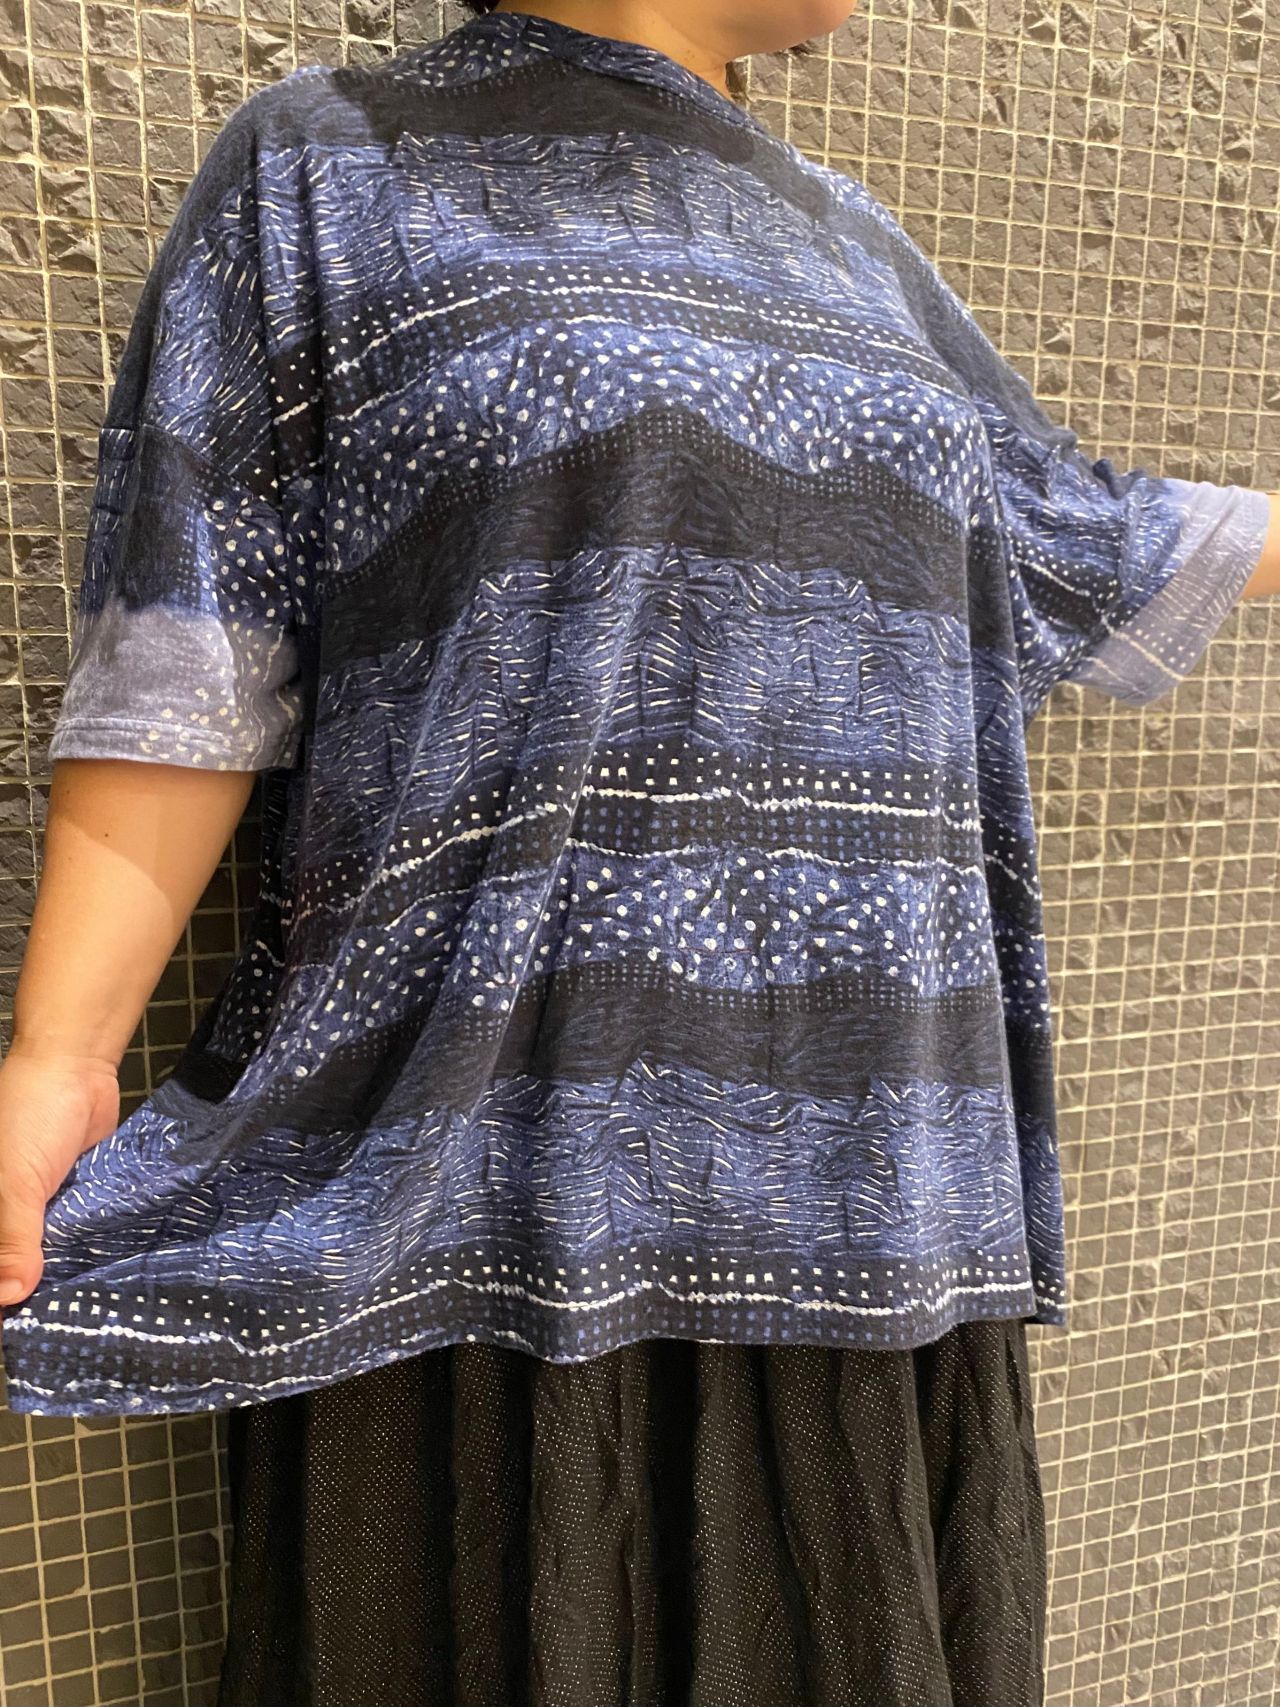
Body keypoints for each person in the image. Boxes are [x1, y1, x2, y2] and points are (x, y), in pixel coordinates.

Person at [1, 1, 1276, 1701]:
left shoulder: (855, 247)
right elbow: (188, 646)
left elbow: (1067, 525)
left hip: (878, 1193)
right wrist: (60, 1055)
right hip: (495, 1196)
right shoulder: (334, 162)